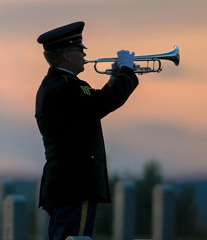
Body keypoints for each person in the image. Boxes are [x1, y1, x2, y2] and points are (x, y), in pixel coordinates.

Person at [35, 21, 139, 240]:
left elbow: (92, 108)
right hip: (75, 183)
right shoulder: (67, 86)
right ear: (67, 55)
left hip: (64, 183)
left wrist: (114, 79)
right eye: (79, 49)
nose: (84, 54)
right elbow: (105, 102)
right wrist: (127, 71)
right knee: (76, 238)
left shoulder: (55, 85)